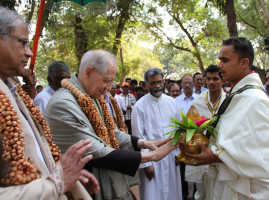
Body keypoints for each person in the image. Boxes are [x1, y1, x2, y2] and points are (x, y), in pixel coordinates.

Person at [45, 50, 177, 200]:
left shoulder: (90, 95)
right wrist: (152, 156)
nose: (110, 87)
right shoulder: (64, 103)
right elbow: (96, 149)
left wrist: (144, 143)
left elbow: (110, 132)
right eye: (106, 81)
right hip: (80, 187)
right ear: (89, 72)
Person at [0, 6, 97, 199]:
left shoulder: (11, 89)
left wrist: (63, 173)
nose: (29, 53)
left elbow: (35, 152)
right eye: (23, 43)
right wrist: (57, 182)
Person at [186, 37, 269, 200]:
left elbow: (264, 151)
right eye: (220, 60)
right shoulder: (240, 94)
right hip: (231, 182)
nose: (219, 65)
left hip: (248, 189)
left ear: (244, 63)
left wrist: (213, 156)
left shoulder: (254, 98)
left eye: (224, 60)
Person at [132, 68, 182, 200]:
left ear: (164, 83)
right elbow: (138, 136)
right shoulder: (139, 106)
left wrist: (178, 153)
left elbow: (178, 129)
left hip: (171, 156)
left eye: (159, 82)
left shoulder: (172, 102)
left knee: (172, 192)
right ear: (147, 85)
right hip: (151, 159)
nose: (157, 86)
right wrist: (146, 163)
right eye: (153, 83)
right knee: (152, 194)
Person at [190, 64, 226, 200]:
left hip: (221, 156)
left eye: (215, 79)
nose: (211, 82)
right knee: (201, 194)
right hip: (202, 155)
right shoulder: (198, 102)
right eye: (209, 79)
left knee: (220, 193)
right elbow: (191, 129)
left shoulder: (228, 101)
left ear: (222, 80)